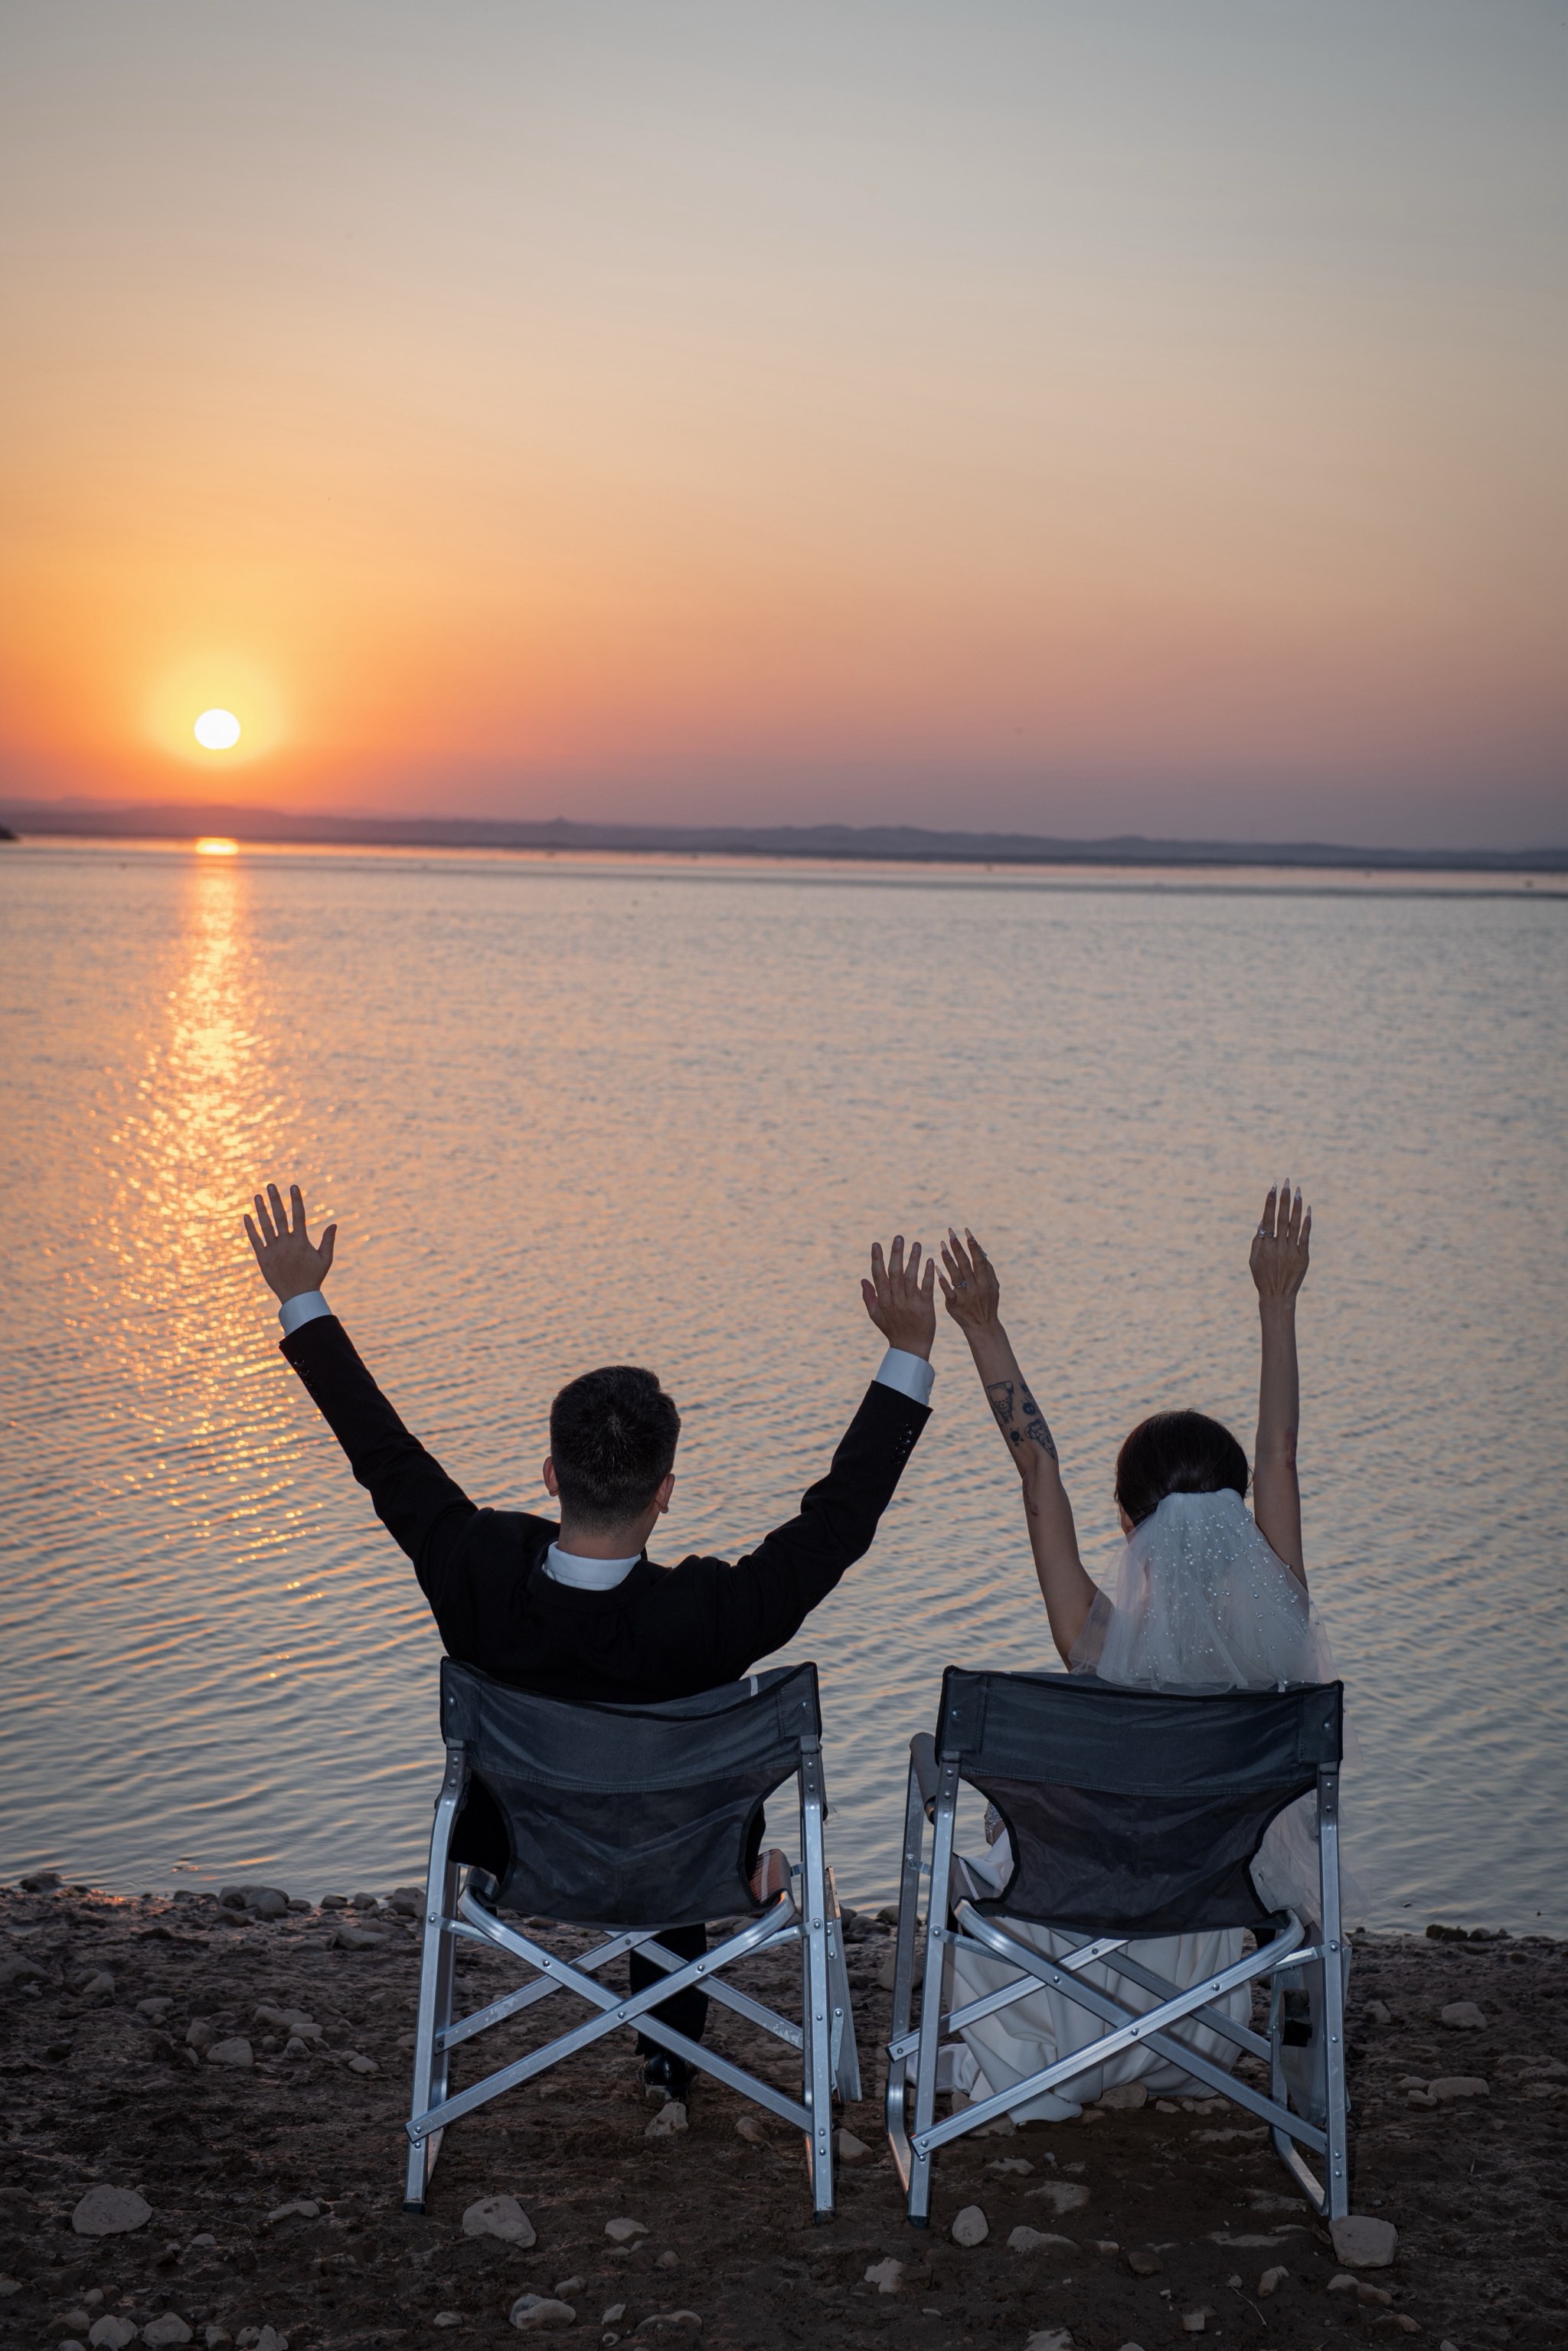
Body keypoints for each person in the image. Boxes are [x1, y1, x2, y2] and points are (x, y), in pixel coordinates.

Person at [243, 1180, 938, 2101]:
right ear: (666, 1491)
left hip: (520, 1856)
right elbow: (838, 1519)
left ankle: (643, 2046)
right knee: (668, 1813)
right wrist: (907, 1354)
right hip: (684, 1864)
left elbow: (382, 1451)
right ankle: (665, 2054)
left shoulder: (476, 1567)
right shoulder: (711, 1612)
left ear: (549, 1474)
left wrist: (302, 1298)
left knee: (653, 1806)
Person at [933, 1183, 1359, 2120]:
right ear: (1240, 1521)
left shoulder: (1095, 1639)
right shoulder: (1278, 1642)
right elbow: (1281, 1453)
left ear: (1126, 1524)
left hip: (1073, 1957)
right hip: (1204, 1993)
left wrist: (981, 1326)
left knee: (983, 1868)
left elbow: (1035, 1466)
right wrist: (1276, 1299)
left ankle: (1053, 2061)